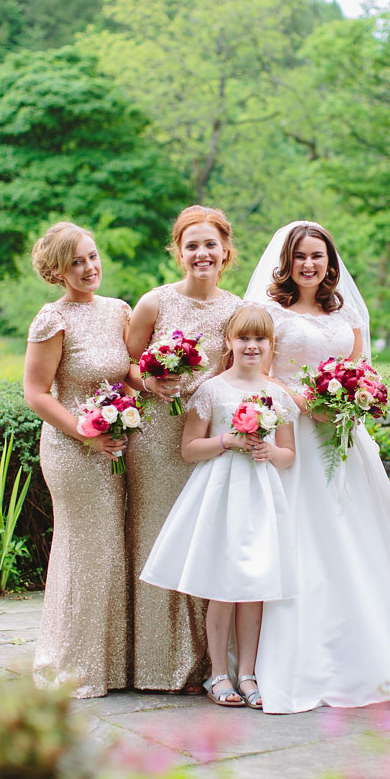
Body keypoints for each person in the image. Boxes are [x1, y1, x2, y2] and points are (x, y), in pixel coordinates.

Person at [246, 221, 390, 713]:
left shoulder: (345, 312)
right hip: (294, 435)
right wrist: (305, 402)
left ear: (331, 263)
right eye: (300, 256)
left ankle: (381, 652)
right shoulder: (267, 311)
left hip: (345, 437)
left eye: (318, 256)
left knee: (363, 536)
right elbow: (257, 372)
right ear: (287, 260)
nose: (309, 264)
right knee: (307, 539)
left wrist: (353, 399)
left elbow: (364, 369)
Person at [140, 304, 298, 709]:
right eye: (243, 338)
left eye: (260, 339)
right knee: (223, 587)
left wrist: (267, 450)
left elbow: (289, 456)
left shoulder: (277, 394)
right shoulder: (212, 390)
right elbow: (190, 449)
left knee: (255, 588)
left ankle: (248, 672)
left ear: (270, 344)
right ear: (228, 342)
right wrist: (228, 441)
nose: (251, 345)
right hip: (221, 495)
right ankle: (217, 674)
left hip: (260, 496)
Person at [126, 205, 242, 692]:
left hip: (207, 439)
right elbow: (126, 366)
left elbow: (243, 371)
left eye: (210, 244)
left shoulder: (236, 308)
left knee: (204, 542)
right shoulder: (153, 303)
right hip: (154, 439)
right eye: (191, 245)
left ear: (226, 252)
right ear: (178, 252)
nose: (201, 253)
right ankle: (154, 664)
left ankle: (201, 664)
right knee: (156, 539)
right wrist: (151, 383)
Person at [22, 223, 136, 698]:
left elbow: (126, 370)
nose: (90, 268)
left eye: (92, 256)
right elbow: (35, 392)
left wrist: (152, 382)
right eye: (76, 262)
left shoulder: (119, 311)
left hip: (116, 444)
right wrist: (85, 434)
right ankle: (72, 664)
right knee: (85, 550)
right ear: (57, 271)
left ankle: (111, 661)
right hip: (74, 450)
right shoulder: (53, 319)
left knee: (113, 548)